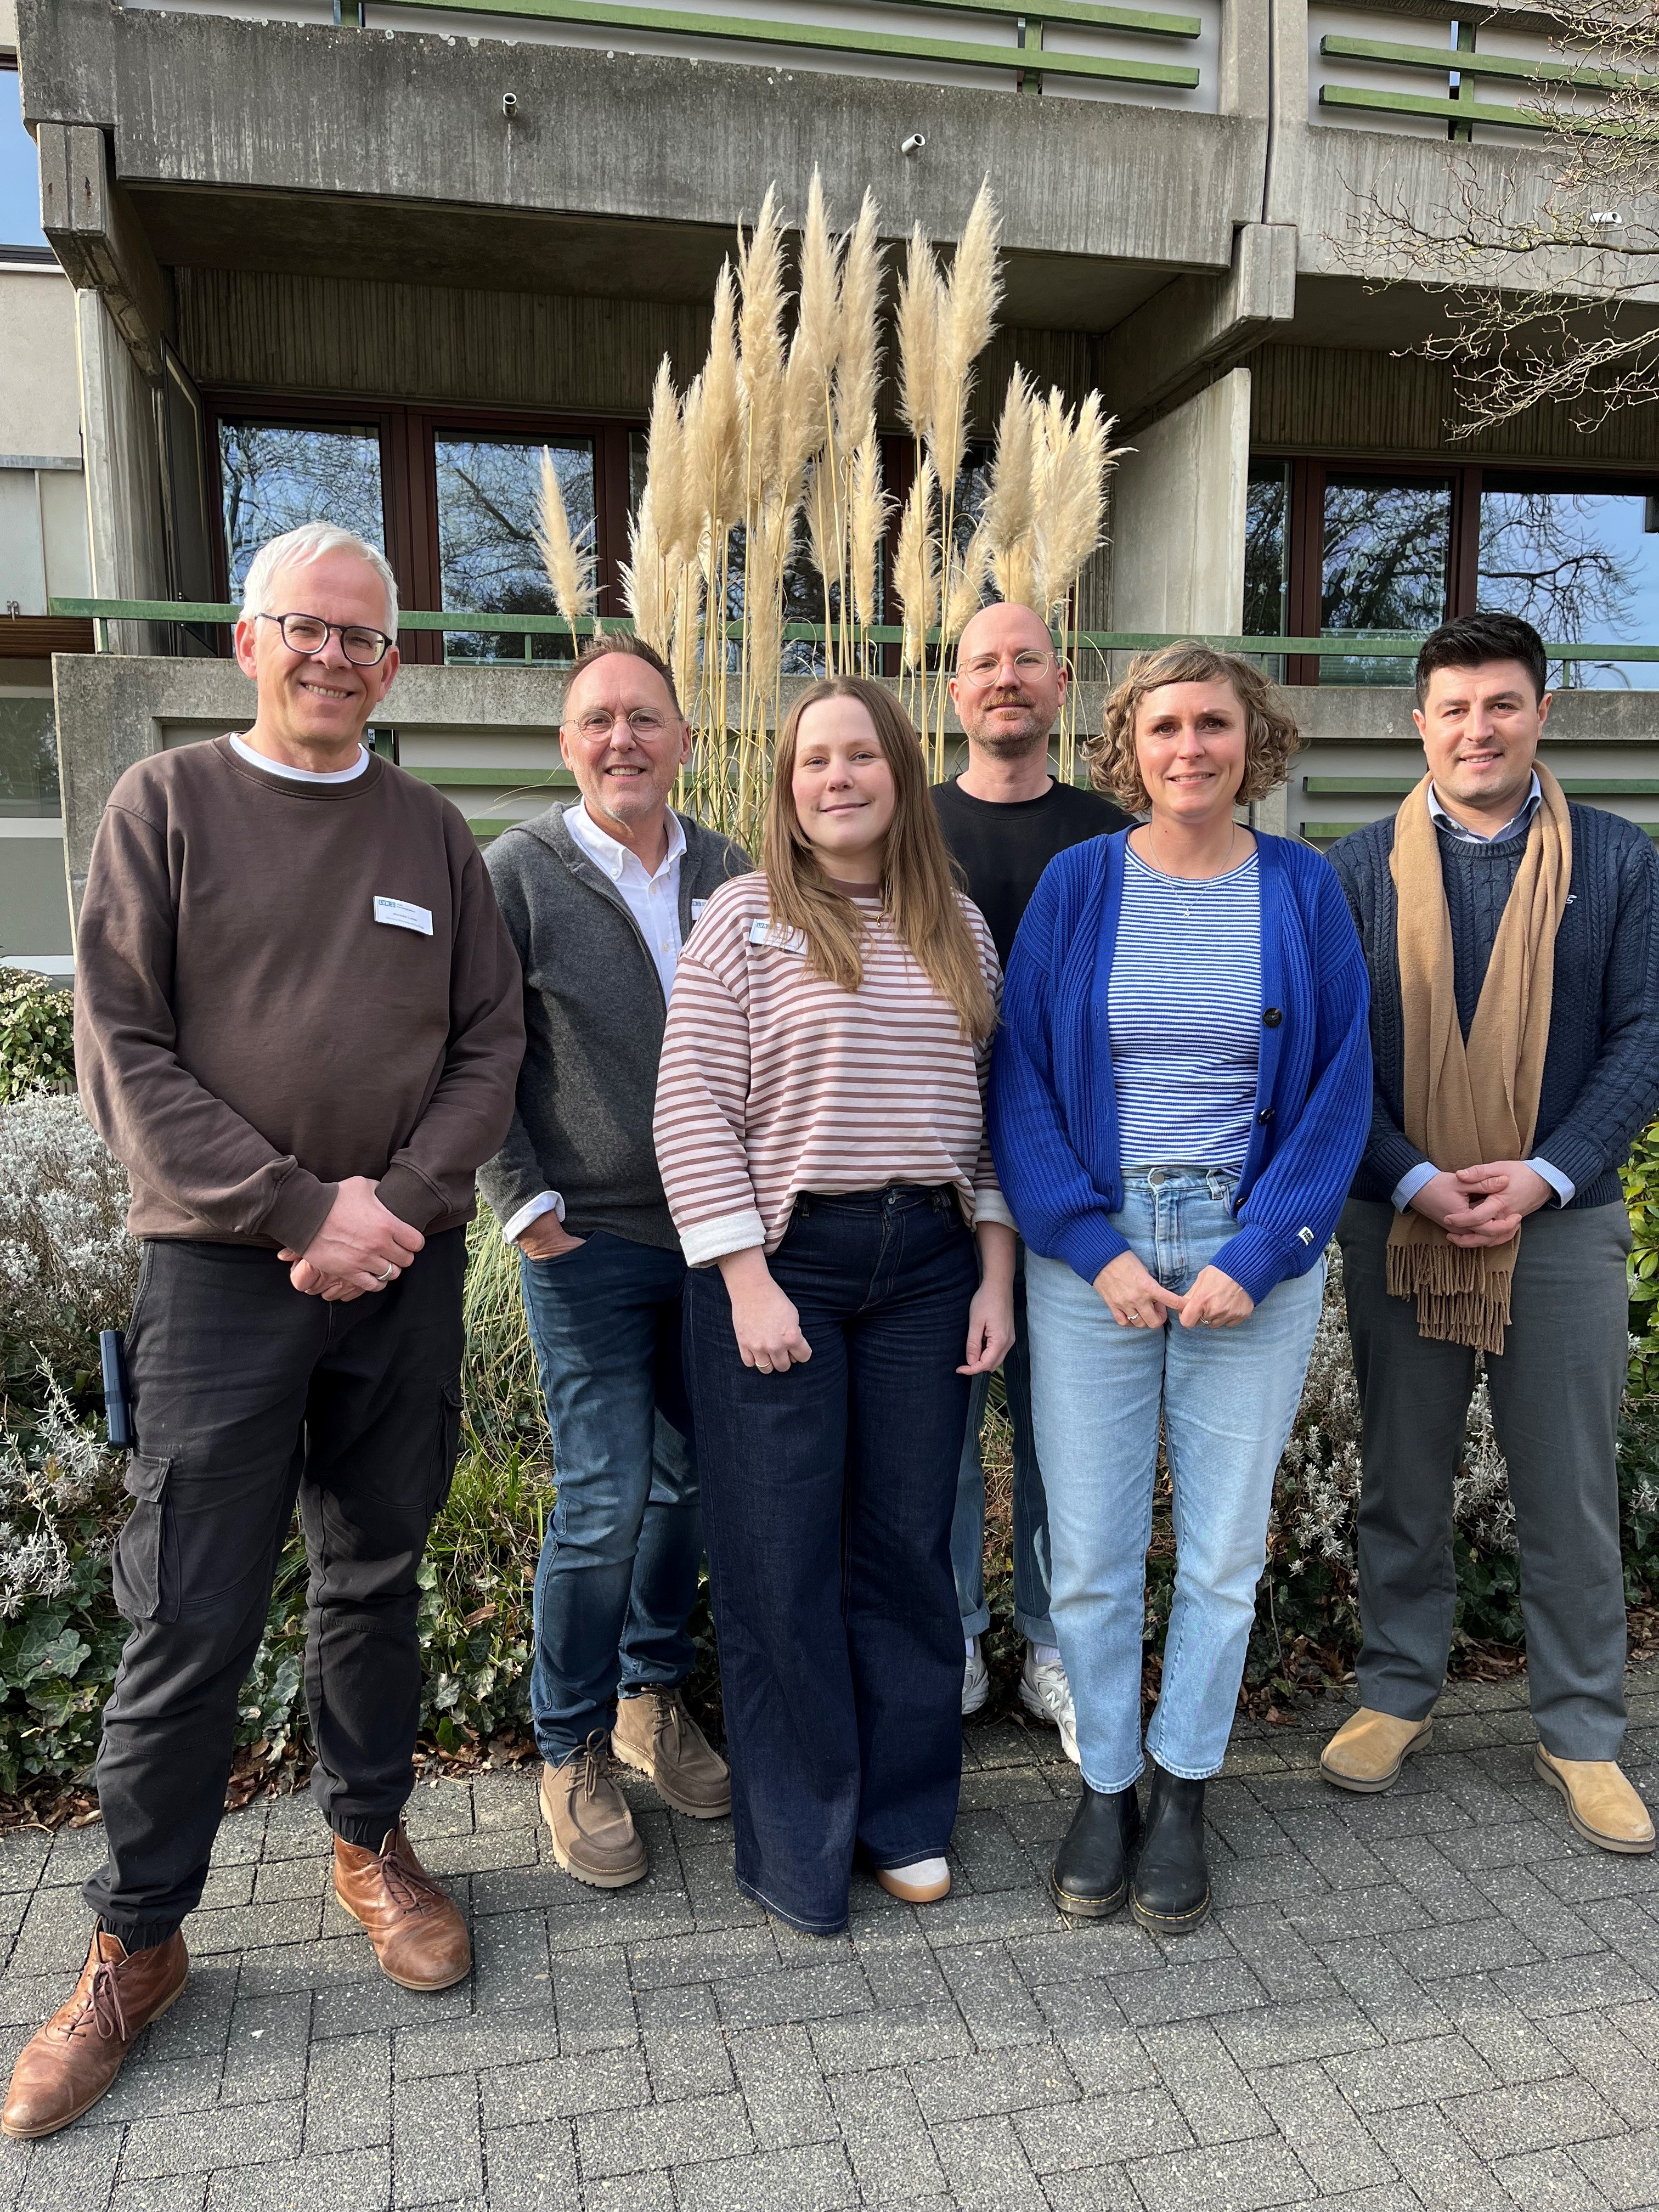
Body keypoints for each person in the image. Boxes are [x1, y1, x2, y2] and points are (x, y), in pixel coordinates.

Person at [3, 525, 525, 2141]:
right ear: (249, 641)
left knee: (376, 1572)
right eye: (308, 629)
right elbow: (125, 1056)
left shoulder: (432, 834)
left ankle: (370, 1840)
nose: (335, 658)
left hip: (403, 1272)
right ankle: (135, 1943)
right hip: (226, 1277)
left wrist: (405, 1206)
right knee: (190, 1611)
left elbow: (490, 1040)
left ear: (392, 663)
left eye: (364, 640)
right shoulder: (165, 811)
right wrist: (307, 1213)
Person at [991, 644, 1370, 1933]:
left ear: (1249, 740)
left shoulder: (1304, 889)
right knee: (1091, 1551)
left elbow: (1337, 1091)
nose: (1191, 748)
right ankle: (1106, 1779)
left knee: (1221, 1550)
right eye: (1167, 727)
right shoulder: (1078, 883)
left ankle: (1187, 1777)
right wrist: (1089, 1245)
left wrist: (1257, 1257)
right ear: (1130, 747)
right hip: (1091, 1245)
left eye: (1215, 724)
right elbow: (1023, 1083)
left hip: (1241, 1240)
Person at [654, 675, 1016, 1935]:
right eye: (815, 760)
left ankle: (905, 1816)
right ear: (787, 786)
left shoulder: (958, 929)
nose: (838, 777)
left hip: (925, 1267)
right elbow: (689, 1106)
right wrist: (743, 1275)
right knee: (777, 1563)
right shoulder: (742, 921)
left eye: (861, 755)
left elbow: (988, 1127)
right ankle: (799, 1838)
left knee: (905, 1553)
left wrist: (995, 1274)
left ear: (901, 775)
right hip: (785, 1268)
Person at [1322, 612, 1659, 1854]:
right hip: (1399, 1215)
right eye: (1455, 707)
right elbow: (1328, 1056)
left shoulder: (1620, 865)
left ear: (1541, 714)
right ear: (1420, 722)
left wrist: (1549, 1175)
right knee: (1401, 1478)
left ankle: (1581, 1730)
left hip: (1559, 1222)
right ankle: (1396, 1690)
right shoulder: (1349, 870)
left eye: (1503, 703)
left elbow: (1646, 1037)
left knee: (1569, 1491)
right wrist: (1411, 1177)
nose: (1479, 728)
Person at [477, 635, 747, 1888]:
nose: (622, 740)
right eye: (598, 722)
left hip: (716, 1239)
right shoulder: (514, 878)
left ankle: (649, 1697)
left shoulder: (735, 872)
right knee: (603, 1499)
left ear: (684, 740)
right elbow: (462, 1052)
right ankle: (569, 1744)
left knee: (688, 1487)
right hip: (582, 1238)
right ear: (567, 746)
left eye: (646, 719)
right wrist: (518, 1196)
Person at [933, 601, 1131, 1751]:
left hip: (1076, 1192)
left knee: (1070, 1440)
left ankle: (1056, 1644)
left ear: (1061, 686)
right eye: (983, 665)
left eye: (1026, 661)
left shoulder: (1116, 838)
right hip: (934, 1188)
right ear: (953, 693)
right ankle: (953, 1636)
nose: (1005, 680)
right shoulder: (905, 827)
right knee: (939, 1436)